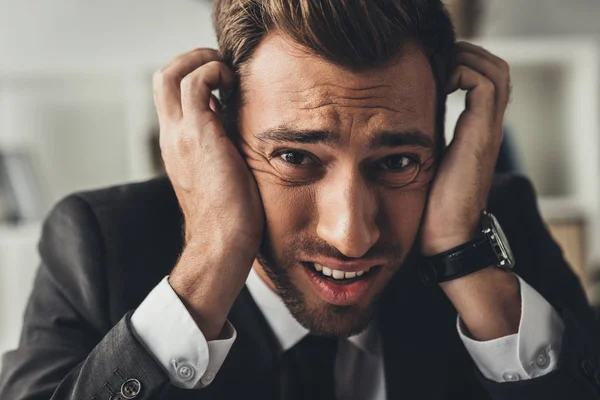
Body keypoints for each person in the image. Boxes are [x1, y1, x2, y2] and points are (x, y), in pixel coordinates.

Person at [1, 0, 599, 399]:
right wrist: (213, 256)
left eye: (397, 162)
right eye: (295, 157)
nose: (351, 235)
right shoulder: (97, 243)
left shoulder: (496, 227)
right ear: (223, 136)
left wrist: (462, 259)